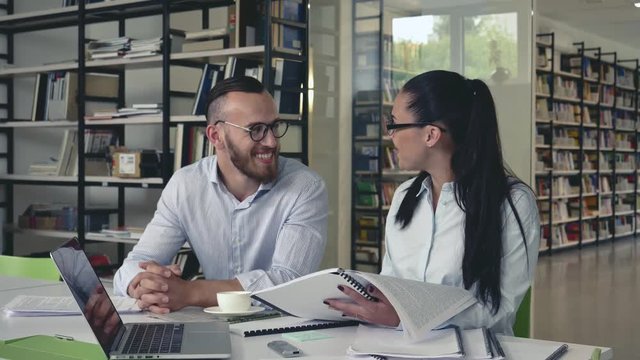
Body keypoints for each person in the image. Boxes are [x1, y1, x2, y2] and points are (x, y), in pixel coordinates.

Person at [326, 70, 540, 335]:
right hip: (397, 346)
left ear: (431, 135)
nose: (390, 136)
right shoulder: (404, 196)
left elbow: (499, 308)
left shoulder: (513, 204)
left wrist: (405, 317)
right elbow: (390, 284)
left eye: (394, 125)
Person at [113, 76, 329, 314]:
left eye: (274, 127)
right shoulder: (186, 185)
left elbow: (287, 281)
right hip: (212, 323)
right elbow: (134, 264)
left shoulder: (305, 187)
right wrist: (144, 285)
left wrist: (190, 292)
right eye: (256, 129)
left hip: (282, 326)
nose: (271, 142)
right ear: (216, 136)